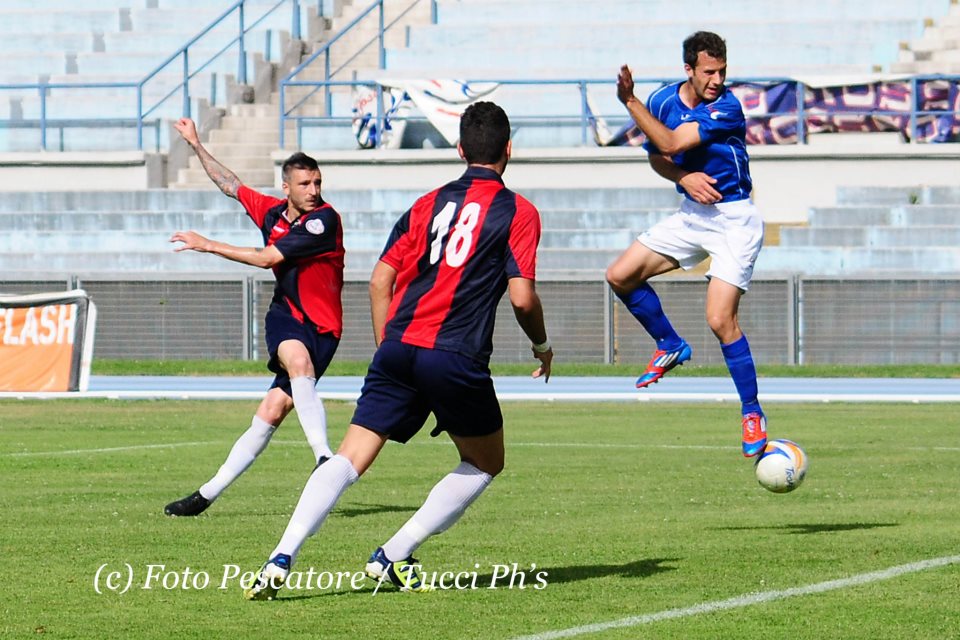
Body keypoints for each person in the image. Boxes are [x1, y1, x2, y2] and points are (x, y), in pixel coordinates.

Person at [243, 101, 553, 600]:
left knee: (347, 458)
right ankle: (393, 553)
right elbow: (521, 296)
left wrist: (390, 346)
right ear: (509, 150)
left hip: (399, 344)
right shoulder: (519, 212)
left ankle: (281, 555)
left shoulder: (426, 203)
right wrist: (542, 345)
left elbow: (379, 280)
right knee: (484, 462)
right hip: (454, 354)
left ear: (458, 149)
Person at [163, 117, 344, 516]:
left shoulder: (324, 220)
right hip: (287, 316)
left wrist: (207, 244)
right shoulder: (272, 212)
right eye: (305, 184)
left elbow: (266, 259)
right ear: (287, 188)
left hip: (325, 328)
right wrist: (195, 144)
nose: (314, 191)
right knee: (297, 361)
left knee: (271, 411)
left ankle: (206, 494)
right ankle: (325, 459)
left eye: (317, 183)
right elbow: (231, 185)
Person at [606, 31, 767, 457]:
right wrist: (682, 177)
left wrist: (629, 102)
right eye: (709, 71)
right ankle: (669, 344)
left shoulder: (728, 107)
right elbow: (659, 156)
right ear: (689, 70)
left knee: (719, 319)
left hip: (734, 219)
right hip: (694, 215)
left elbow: (673, 143)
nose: (717, 79)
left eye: (722, 70)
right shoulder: (662, 101)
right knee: (619, 275)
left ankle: (752, 412)